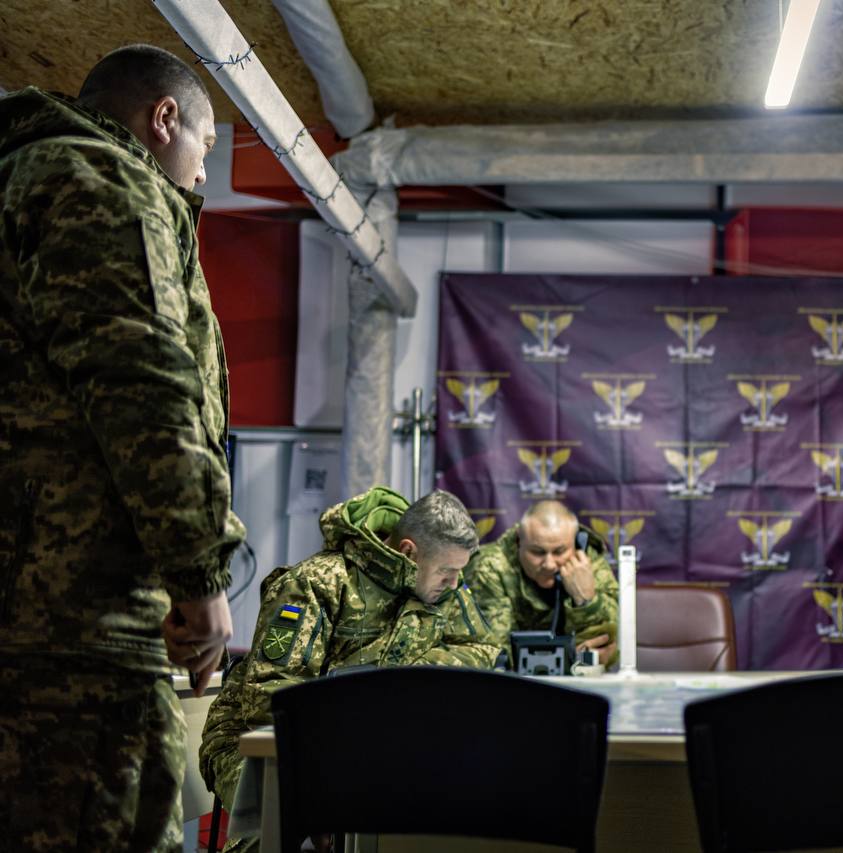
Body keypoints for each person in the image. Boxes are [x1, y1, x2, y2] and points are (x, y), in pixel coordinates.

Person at [0, 45, 241, 851]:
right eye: (205, 148)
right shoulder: (96, 180)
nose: (202, 176)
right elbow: (140, 381)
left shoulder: (23, 175)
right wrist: (198, 572)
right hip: (71, 619)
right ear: (163, 118)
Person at [199, 487, 499, 849]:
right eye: (446, 572)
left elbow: (481, 646)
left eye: (458, 573)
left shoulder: (442, 589)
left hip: (372, 744)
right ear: (409, 552)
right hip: (257, 741)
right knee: (286, 808)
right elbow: (270, 694)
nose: (453, 583)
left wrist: (409, 679)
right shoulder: (318, 582)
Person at [465, 500, 619, 664]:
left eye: (559, 551)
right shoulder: (489, 566)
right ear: (518, 541)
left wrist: (585, 600)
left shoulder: (588, 562)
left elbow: (606, 644)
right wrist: (568, 659)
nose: (549, 564)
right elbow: (494, 655)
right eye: (537, 552)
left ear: (576, 545)